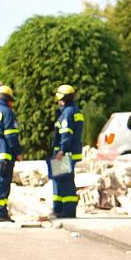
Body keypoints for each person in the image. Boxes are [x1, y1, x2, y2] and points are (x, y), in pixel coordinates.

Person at [50, 84, 84, 219]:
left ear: (62, 98)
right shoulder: (74, 111)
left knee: (65, 182)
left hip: (65, 153)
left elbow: (66, 134)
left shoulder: (68, 113)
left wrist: (62, 151)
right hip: (68, 152)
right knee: (59, 180)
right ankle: (58, 209)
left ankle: (68, 211)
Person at [0, 84, 23, 222]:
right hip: (3, 153)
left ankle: (1, 212)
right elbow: (11, 135)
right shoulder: (7, 112)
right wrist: (17, 152)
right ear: (8, 99)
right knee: (2, 183)